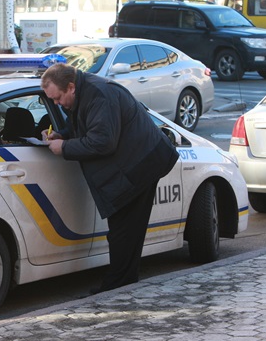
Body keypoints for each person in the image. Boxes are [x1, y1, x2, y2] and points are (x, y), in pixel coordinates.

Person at [40, 63, 179, 293]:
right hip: (133, 165)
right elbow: (81, 123)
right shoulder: (84, 94)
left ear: (71, 87)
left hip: (141, 165)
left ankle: (117, 286)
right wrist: (61, 134)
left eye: (58, 98)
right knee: (125, 230)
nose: (57, 104)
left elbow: (102, 141)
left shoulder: (99, 95)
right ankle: (124, 281)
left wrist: (64, 147)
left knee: (123, 231)